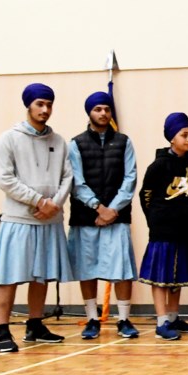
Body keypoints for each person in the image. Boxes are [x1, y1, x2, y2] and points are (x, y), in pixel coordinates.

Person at [0, 83, 74, 352]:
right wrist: (38, 201)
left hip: (49, 220)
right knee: (9, 275)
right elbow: (5, 179)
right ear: (29, 106)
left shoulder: (58, 141)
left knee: (42, 275)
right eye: (40, 104)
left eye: (49, 104)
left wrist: (54, 204)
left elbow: (67, 177)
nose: (45, 109)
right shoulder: (9, 139)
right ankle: (1, 331)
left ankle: (35, 324)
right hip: (19, 219)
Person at [67, 91, 141, 340]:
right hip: (86, 216)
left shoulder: (124, 141)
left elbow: (130, 179)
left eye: (107, 109)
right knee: (87, 270)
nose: (103, 113)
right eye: (98, 109)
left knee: (121, 270)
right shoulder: (75, 143)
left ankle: (123, 319)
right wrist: (99, 208)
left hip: (117, 216)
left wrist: (113, 210)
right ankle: (91, 319)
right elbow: (76, 182)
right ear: (89, 112)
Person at [137, 112, 188, 341]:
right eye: (184, 135)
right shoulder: (158, 166)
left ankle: (174, 317)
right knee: (162, 276)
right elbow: (145, 196)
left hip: (185, 230)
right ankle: (161, 320)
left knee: (177, 276)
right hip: (162, 231)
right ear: (171, 138)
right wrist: (156, 220)